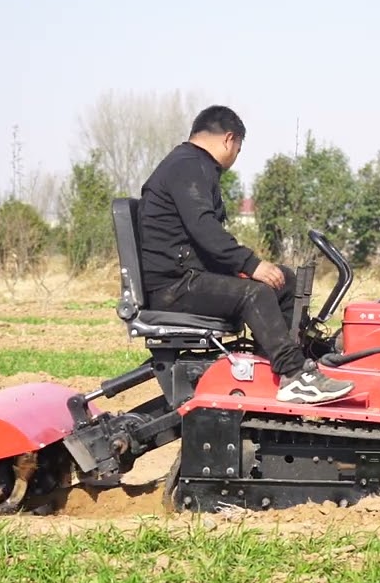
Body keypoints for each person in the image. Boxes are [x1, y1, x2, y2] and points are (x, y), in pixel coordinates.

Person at [136, 105, 354, 404]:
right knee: (255, 293)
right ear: (229, 139)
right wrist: (249, 264)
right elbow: (203, 228)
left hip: (187, 277)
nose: (236, 156)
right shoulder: (188, 165)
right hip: (173, 287)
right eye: (238, 149)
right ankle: (294, 375)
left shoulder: (192, 165)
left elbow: (196, 239)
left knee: (283, 281)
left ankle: (283, 364)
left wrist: (239, 268)